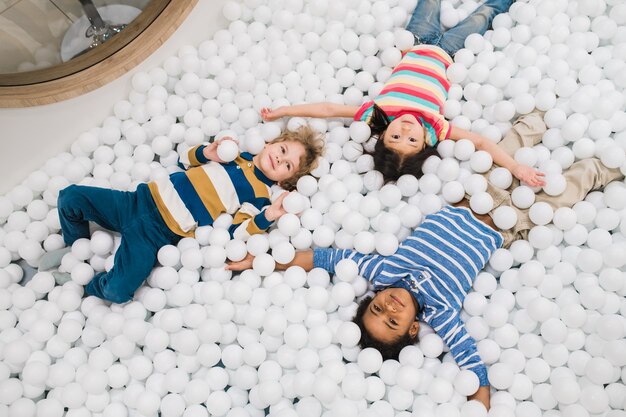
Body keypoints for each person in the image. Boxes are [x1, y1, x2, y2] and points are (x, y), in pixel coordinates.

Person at [226, 114, 625, 409]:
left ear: (373, 296)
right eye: (393, 320)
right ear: (415, 327)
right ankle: (611, 164)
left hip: (477, 190)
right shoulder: (443, 311)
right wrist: (480, 405)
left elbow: (326, 257)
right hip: (514, 222)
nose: (389, 307)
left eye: (377, 308)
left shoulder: (384, 272)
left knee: (516, 139)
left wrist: (262, 262)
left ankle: (543, 114)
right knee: (570, 188)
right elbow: (472, 363)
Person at [39, 126, 324, 304]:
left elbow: (239, 232)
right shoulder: (236, 154)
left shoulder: (259, 195)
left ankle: (84, 284)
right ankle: (73, 248)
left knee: (119, 290)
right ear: (270, 143)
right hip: (137, 201)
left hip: (157, 233)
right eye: (282, 150)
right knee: (70, 197)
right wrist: (208, 152)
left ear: (284, 181)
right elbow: (183, 160)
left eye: (287, 165)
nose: (279, 159)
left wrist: (270, 215)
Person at [259, 0, 533, 185]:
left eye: (395, 136)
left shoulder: (378, 114)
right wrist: (515, 168)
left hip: (415, 42)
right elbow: (482, 142)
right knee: (484, 16)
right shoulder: (435, 127)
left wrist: (286, 110)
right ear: (424, 142)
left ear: (383, 134)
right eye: (411, 139)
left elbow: (329, 110)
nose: (405, 128)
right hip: (450, 50)